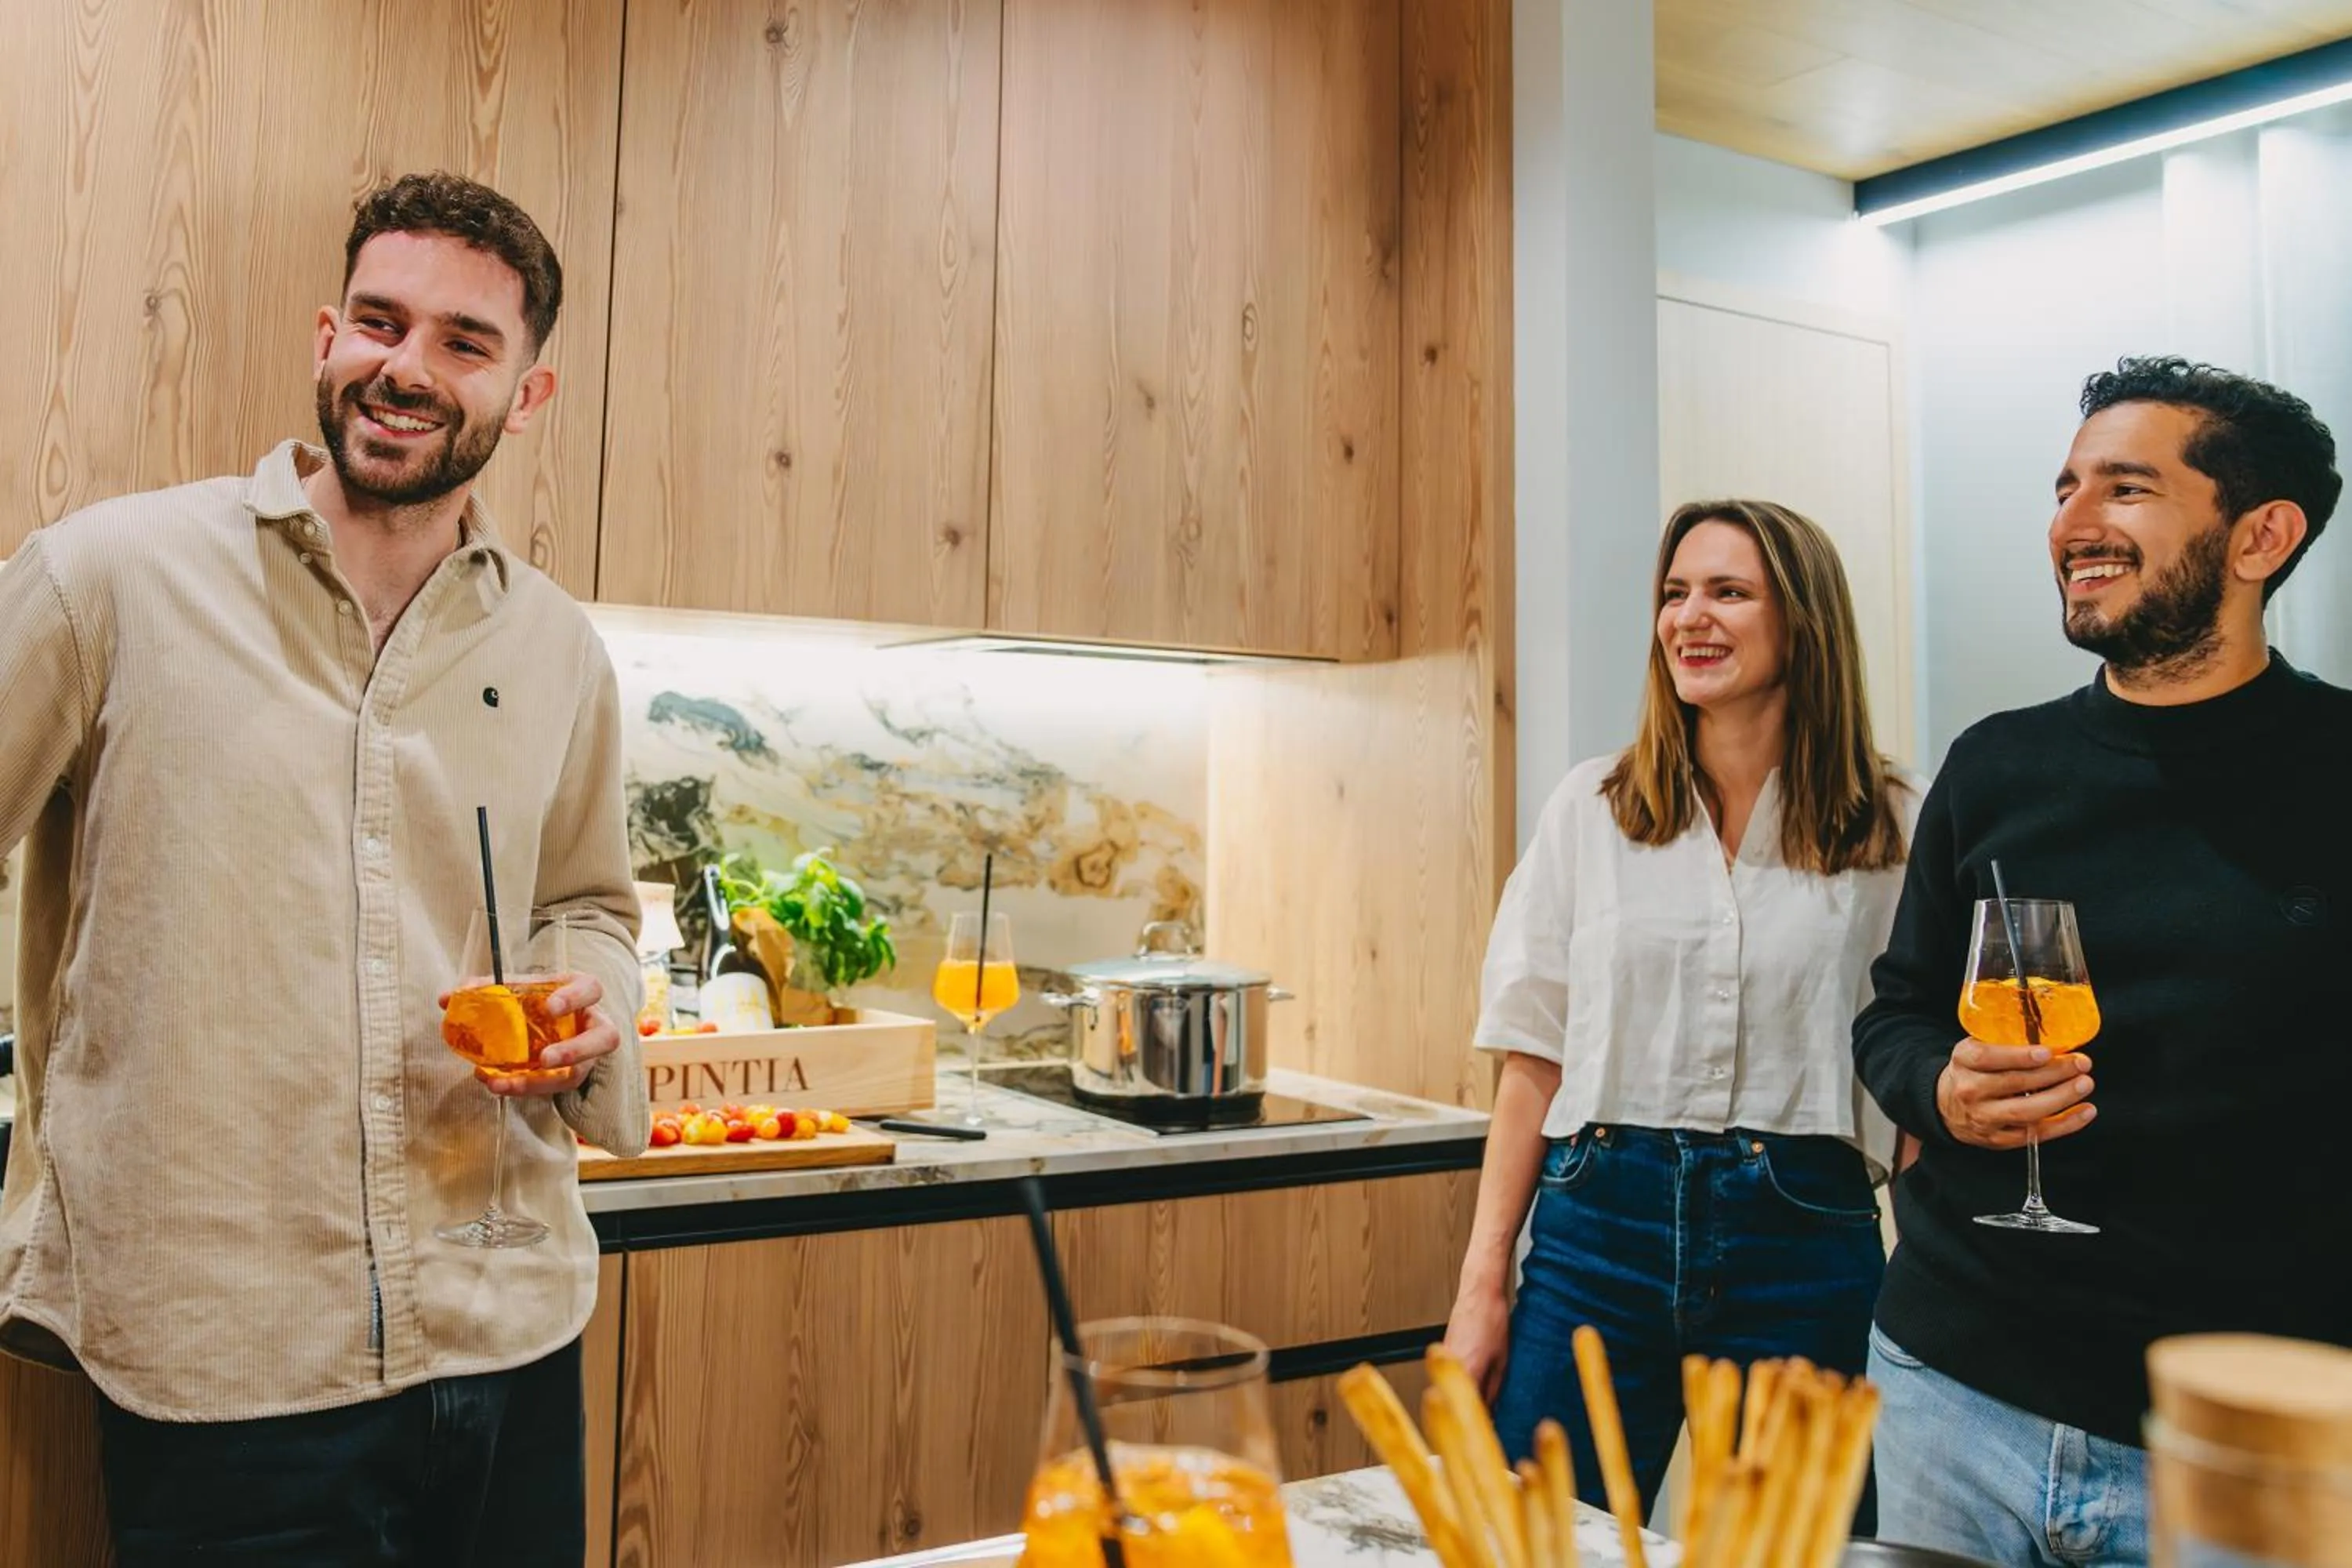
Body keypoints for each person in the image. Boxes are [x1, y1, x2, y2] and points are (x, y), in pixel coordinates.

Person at [0, 172, 648, 1563]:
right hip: (219, 1360)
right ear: (325, 337)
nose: (404, 369)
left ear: (525, 397)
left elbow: (588, 901)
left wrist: (591, 998)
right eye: (378, 322)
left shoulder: (556, 650)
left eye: (463, 343)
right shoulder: (108, 578)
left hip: (508, 1325)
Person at [1854, 356, 2347, 1567]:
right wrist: (1942, 1091)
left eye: (2125, 490)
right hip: (1953, 1383)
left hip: (2238, 1429)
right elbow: (1897, 1013)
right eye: (2065, 488)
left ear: (2261, 535)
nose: (2072, 524)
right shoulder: (1997, 766)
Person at [1447, 499, 1916, 1521]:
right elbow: (1533, 1058)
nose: (1689, 618)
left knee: (1802, 1548)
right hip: (1593, 1235)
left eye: (1728, 592)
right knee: (1530, 1541)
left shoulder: (1892, 829)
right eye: (1675, 592)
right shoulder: (1594, 806)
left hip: (1807, 1237)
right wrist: (1483, 1285)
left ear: (1804, 620)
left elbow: (1911, 1077)